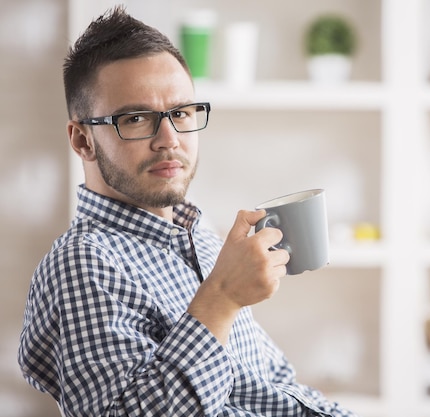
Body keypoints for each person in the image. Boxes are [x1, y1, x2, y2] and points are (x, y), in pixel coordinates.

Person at [18, 6, 357, 417]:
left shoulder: (202, 235)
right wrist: (223, 297)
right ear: (83, 140)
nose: (169, 139)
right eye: (136, 118)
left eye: (180, 113)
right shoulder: (83, 263)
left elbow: (272, 383)